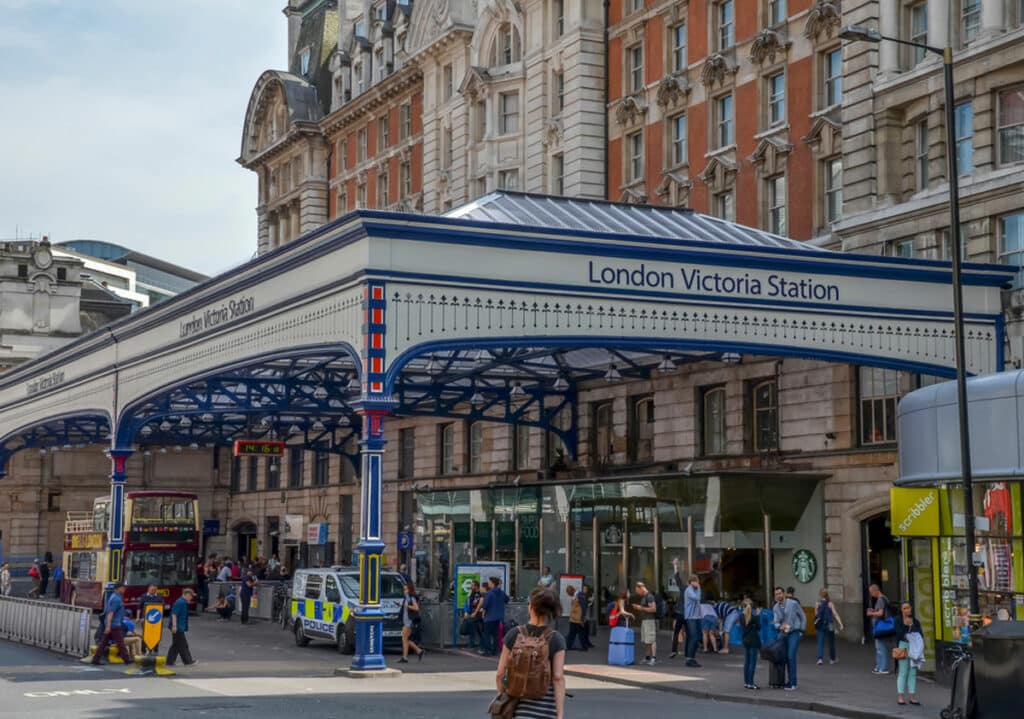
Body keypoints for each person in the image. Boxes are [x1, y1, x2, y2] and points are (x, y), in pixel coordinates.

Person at [495, 587, 566, 719]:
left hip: (518, 711)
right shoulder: (556, 639)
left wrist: (504, 693)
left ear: (531, 607)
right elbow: (558, 677)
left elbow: (500, 673)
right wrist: (560, 714)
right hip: (544, 711)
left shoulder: (514, 634)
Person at [772, 586, 805, 691]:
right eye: (776, 594)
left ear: (784, 594)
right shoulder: (775, 607)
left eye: (780, 594)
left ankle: (793, 683)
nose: (778, 596)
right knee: (784, 657)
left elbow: (803, 616)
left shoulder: (793, 603)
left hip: (794, 632)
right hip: (783, 634)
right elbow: (776, 622)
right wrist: (779, 626)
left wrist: (801, 630)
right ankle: (786, 681)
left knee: (791, 656)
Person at [92, 583, 133, 665]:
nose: (124, 589)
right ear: (118, 589)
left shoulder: (115, 597)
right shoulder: (116, 599)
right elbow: (110, 613)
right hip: (114, 625)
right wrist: (108, 626)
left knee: (103, 642)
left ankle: (96, 659)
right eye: (122, 588)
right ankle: (126, 660)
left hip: (113, 624)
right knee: (120, 642)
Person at [894, 601, 924, 706]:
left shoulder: (915, 621)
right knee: (903, 671)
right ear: (901, 610)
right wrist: (906, 626)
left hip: (914, 647)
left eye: (908, 608)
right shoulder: (898, 620)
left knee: (913, 672)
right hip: (903, 646)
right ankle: (901, 697)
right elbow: (899, 634)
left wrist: (911, 625)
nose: (907, 610)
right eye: (904, 608)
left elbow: (920, 635)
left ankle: (912, 697)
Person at [166, 588, 198, 667]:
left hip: (179, 627)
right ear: (187, 594)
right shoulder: (180, 602)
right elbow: (174, 614)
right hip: (178, 627)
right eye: (191, 596)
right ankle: (188, 661)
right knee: (183, 645)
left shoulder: (182, 602)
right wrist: (174, 626)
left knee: (176, 645)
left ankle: (170, 661)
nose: (191, 598)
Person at [814, 588, 844, 665]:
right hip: (829, 624)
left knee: (820, 642)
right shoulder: (830, 603)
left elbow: (816, 615)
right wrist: (840, 623)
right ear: (827, 594)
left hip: (820, 624)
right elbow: (835, 614)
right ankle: (832, 659)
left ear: (820, 594)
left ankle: (820, 659)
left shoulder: (818, 603)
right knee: (831, 642)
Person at [481, 576, 509, 656]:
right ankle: (495, 650)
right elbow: (507, 600)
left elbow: (485, 605)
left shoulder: (489, 593)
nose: (488, 584)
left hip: (489, 617)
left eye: (489, 582)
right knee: (495, 634)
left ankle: (487, 650)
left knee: (487, 634)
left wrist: (484, 611)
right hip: (499, 617)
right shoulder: (501, 592)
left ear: (493, 583)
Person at [632, 581, 658, 666]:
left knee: (651, 639)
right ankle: (647, 657)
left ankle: (653, 658)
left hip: (649, 620)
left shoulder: (649, 596)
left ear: (641, 588)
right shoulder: (644, 597)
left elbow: (653, 609)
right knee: (647, 640)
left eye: (637, 591)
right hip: (645, 620)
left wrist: (641, 608)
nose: (637, 593)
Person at [867, 584, 891, 674]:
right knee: (880, 646)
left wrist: (871, 613)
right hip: (881, 625)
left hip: (880, 626)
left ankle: (883, 667)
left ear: (875, 591)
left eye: (871, 592)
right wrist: (874, 611)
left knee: (880, 647)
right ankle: (879, 666)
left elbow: (880, 613)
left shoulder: (880, 599)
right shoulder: (884, 598)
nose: (871, 594)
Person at [399, 582, 424, 663]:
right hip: (406, 620)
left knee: (405, 638)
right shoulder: (407, 597)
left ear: (409, 590)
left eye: (406, 589)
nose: (404, 590)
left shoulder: (411, 597)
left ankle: (414, 653)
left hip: (409, 621)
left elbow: (416, 608)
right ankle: (410, 654)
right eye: (404, 589)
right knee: (405, 639)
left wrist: (408, 606)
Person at [740, 598, 761, 690]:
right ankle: (751, 683)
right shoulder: (754, 617)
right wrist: (758, 615)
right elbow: (758, 628)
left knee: (747, 662)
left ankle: (746, 682)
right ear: (752, 606)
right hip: (754, 640)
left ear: (742, 606)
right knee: (752, 662)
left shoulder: (741, 616)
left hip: (745, 640)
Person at [682, 572, 703, 667]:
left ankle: (692, 657)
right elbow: (697, 598)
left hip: (696, 616)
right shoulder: (689, 590)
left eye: (697, 581)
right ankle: (689, 658)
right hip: (691, 617)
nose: (697, 583)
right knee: (693, 636)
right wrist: (699, 588)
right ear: (691, 582)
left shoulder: (694, 589)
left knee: (696, 637)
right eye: (695, 581)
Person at [463, 580, 483, 649]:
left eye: (472, 585)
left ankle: (473, 644)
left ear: (476, 586)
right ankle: (474, 644)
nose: (471, 586)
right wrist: (467, 611)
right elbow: (467, 602)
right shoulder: (471, 593)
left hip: (478, 613)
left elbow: (477, 603)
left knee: (478, 629)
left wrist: (475, 612)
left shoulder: (480, 593)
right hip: (472, 613)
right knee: (475, 629)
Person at [578, 584, 594, 650]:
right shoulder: (581, 595)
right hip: (584, 616)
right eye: (584, 589)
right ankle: (585, 645)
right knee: (584, 631)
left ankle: (585, 645)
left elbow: (586, 606)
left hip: (585, 616)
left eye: (586, 589)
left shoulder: (584, 596)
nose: (585, 590)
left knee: (585, 631)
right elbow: (585, 606)